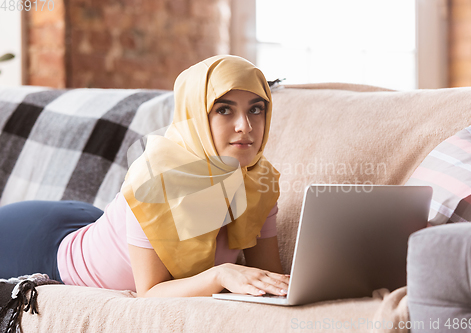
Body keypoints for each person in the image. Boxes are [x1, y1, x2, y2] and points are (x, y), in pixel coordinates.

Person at [0, 55, 289, 298]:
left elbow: (271, 278)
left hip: (87, 218)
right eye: (224, 109)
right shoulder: (155, 181)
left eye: (256, 109)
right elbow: (150, 293)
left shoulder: (259, 181)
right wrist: (221, 275)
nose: (246, 126)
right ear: (196, 116)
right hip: (38, 244)